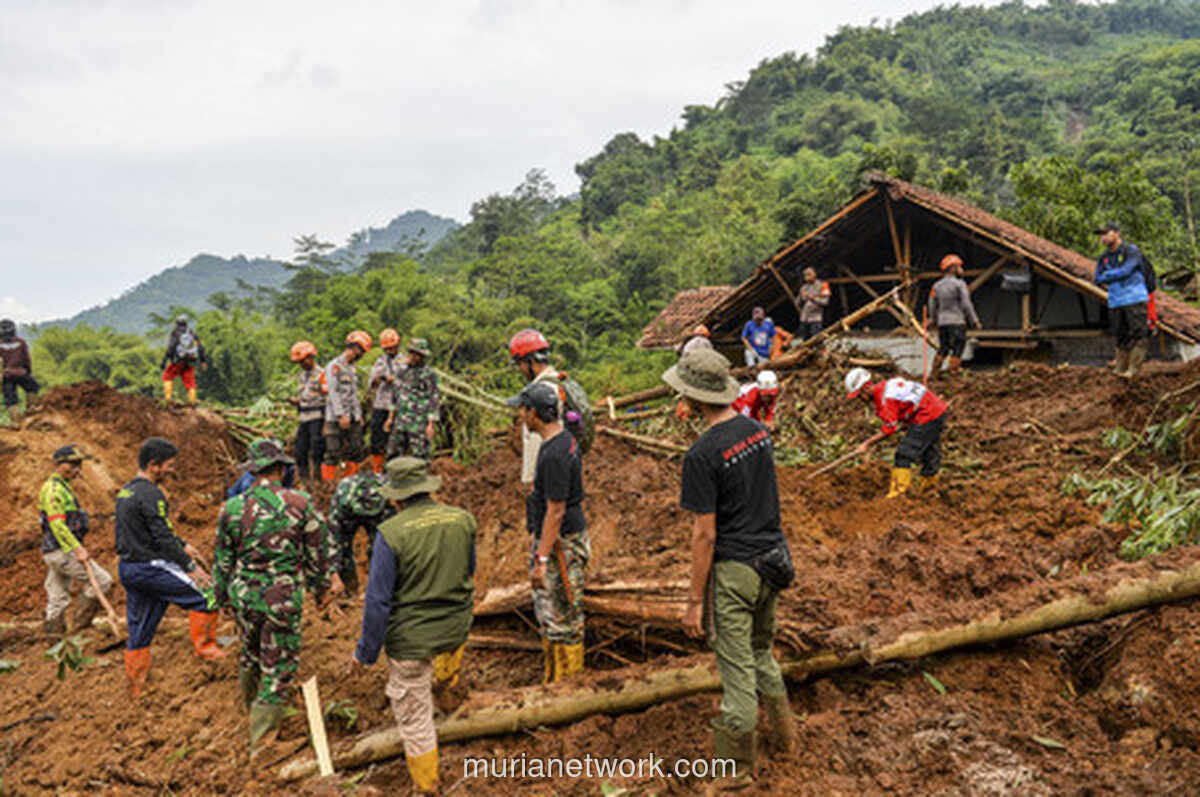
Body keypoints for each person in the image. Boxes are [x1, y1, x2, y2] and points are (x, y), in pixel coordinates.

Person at [663, 349, 796, 791]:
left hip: (737, 572)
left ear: (691, 396)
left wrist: (693, 602)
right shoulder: (757, 431)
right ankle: (785, 738)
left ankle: (734, 772)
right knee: (761, 652)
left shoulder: (702, 455)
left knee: (736, 670)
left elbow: (705, 536)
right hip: (774, 560)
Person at [351, 457, 477, 795]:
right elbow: (469, 570)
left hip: (412, 640)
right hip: (455, 628)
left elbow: (378, 602)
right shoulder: (462, 519)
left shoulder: (391, 534)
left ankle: (427, 786)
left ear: (395, 496)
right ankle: (448, 689)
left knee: (415, 718)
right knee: (443, 666)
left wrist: (365, 652)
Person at [212, 439, 342, 749]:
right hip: (281, 598)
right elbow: (317, 553)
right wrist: (321, 590)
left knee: (250, 653)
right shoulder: (300, 503)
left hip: (244, 594)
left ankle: (252, 711)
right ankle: (263, 742)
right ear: (282, 469)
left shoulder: (231, 508)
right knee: (278, 666)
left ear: (253, 471)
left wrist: (222, 599)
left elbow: (222, 560)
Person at [115, 437, 225, 699]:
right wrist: (189, 566)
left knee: (140, 627)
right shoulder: (152, 493)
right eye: (170, 465)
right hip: (151, 567)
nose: (173, 470)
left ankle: (137, 685)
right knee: (208, 595)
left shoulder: (127, 491)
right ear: (154, 465)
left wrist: (183, 544)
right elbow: (161, 537)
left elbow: (151, 531)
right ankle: (208, 652)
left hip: (129, 569)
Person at [506, 381, 588, 683]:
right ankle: (553, 681)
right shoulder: (562, 440)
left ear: (533, 413)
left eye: (522, 411)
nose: (520, 418)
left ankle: (567, 689)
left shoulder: (554, 454)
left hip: (560, 544)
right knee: (551, 613)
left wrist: (541, 559)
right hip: (557, 539)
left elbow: (556, 509)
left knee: (563, 616)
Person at [39, 445, 114, 635]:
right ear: (57, 464)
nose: (76, 469)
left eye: (78, 464)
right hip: (61, 550)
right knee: (103, 581)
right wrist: (76, 548)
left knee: (57, 597)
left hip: (55, 551)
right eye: (71, 464)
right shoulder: (54, 489)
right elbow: (57, 525)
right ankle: (78, 629)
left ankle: (54, 641)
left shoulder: (64, 488)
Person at [846, 367, 948, 498]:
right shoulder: (886, 386)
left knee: (903, 455)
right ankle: (929, 491)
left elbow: (889, 430)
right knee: (929, 453)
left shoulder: (885, 400)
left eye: (859, 395)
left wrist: (866, 444)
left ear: (866, 388)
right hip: (935, 409)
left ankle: (898, 495)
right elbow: (905, 404)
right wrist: (907, 420)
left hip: (927, 415)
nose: (860, 399)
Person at [1094, 222, 1152, 378]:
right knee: (1121, 335)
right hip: (1115, 300)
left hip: (1134, 297)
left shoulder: (1131, 251)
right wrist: (1114, 274)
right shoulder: (1104, 258)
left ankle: (1133, 369)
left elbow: (1127, 270)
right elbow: (1097, 278)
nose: (1103, 238)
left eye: (1106, 233)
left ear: (1117, 233)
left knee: (1139, 333)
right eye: (1101, 235)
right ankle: (1120, 368)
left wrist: (1108, 275)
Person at [327, 469, 394, 595]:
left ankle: (382, 589)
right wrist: (333, 574)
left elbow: (394, 541)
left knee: (382, 547)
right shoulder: (343, 497)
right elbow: (332, 540)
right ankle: (347, 588)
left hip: (379, 515)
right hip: (349, 514)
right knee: (343, 549)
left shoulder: (389, 495)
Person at [509, 328, 561, 487]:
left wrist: (530, 481)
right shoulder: (559, 382)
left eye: (520, 364)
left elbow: (535, 439)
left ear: (529, 362)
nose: (521, 370)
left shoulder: (539, 395)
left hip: (547, 479)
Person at [322, 330, 372, 481]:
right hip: (335, 417)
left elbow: (353, 395)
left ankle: (351, 482)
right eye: (361, 351)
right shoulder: (334, 366)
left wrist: (359, 415)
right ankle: (328, 486)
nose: (362, 354)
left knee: (356, 450)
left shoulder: (352, 369)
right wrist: (340, 415)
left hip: (353, 416)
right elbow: (333, 392)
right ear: (354, 347)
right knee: (333, 452)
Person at [926, 254, 982, 378]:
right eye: (959, 267)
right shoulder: (960, 284)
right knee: (958, 347)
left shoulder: (936, 286)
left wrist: (934, 320)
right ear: (953, 268)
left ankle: (934, 373)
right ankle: (952, 373)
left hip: (942, 323)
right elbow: (967, 304)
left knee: (943, 348)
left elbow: (932, 305)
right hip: (957, 322)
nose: (961, 270)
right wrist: (975, 321)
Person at [386, 338, 440, 461]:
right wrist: (390, 418)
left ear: (423, 356)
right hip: (400, 420)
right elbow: (395, 395)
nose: (414, 357)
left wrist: (431, 425)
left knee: (420, 456)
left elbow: (434, 399)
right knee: (393, 453)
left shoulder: (429, 374)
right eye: (412, 353)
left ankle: (421, 479)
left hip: (419, 422)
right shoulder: (402, 372)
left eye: (417, 354)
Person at [368, 329, 405, 473]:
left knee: (397, 440)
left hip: (398, 405)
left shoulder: (405, 361)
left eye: (392, 348)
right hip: (381, 404)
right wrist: (378, 379)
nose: (390, 351)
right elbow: (372, 383)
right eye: (387, 349)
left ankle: (396, 471)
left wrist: (392, 379)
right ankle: (378, 471)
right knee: (377, 439)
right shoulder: (380, 362)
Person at [288, 340, 326, 482]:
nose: (302, 365)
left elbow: (328, 399)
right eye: (299, 362)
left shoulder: (322, 375)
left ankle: (318, 480)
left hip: (317, 417)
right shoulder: (302, 376)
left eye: (303, 361)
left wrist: (326, 423)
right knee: (300, 451)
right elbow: (304, 396)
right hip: (304, 417)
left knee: (317, 450)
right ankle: (305, 482)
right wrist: (296, 401)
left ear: (311, 357)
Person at [160, 315, 208, 405]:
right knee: (190, 381)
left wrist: (164, 360)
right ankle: (192, 401)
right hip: (190, 361)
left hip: (178, 361)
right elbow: (200, 347)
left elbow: (171, 347)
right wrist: (203, 361)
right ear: (186, 323)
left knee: (167, 376)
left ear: (176, 324)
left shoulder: (176, 333)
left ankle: (168, 399)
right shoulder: (192, 333)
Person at [0, 318, 38, 426]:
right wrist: (28, 371)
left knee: (11, 399)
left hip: (7, 375)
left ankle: (16, 422)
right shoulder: (21, 342)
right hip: (21, 373)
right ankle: (32, 409)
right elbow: (27, 359)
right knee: (33, 387)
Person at [797, 268, 831, 341]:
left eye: (809, 274)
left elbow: (825, 302)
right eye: (805, 275)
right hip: (804, 319)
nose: (807, 277)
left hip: (816, 319)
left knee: (816, 340)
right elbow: (797, 303)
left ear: (815, 274)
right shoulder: (804, 287)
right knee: (804, 342)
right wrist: (800, 295)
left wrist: (812, 298)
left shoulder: (823, 285)